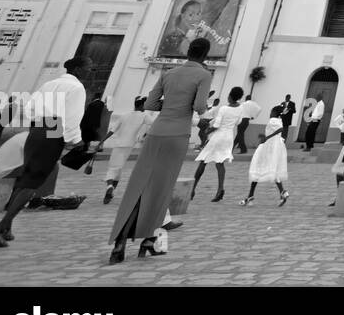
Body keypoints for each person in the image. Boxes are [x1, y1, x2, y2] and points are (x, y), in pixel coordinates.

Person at [108, 38, 212, 264]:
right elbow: (200, 107)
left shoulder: (169, 73)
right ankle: (149, 240)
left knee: (138, 186)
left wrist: (171, 102)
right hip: (177, 134)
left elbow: (150, 104)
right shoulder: (203, 74)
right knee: (162, 189)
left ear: (187, 51)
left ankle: (120, 242)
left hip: (156, 132)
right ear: (205, 54)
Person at [0, 55, 91, 248]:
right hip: (53, 132)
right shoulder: (76, 88)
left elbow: (30, 109)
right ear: (77, 69)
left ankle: (6, 228)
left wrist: (43, 126)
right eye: (87, 67)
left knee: (26, 177)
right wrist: (75, 141)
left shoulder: (48, 84)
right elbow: (72, 118)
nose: (90, 71)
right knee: (32, 182)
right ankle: (1, 226)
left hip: (36, 131)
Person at [190, 86, 243, 202]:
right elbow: (238, 122)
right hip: (229, 137)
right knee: (220, 163)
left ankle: (192, 189)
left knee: (203, 161)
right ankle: (220, 189)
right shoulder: (240, 108)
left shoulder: (224, 108)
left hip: (218, 136)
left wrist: (207, 131)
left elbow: (216, 125)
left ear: (230, 96)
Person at [102, 97, 149, 204]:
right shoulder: (145, 116)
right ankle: (111, 191)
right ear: (141, 105)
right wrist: (145, 135)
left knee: (113, 168)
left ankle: (109, 186)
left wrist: (101, 142)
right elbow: (155, 124)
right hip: (129, 146)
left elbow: (112, 131)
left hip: (118, 145)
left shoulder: (124, 115)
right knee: (118, 169)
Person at [241, 111, 288, 206]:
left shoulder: (273, 120)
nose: (270, 113)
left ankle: (250, 196)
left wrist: (267, 138)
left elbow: (280, 129)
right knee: (272, 171)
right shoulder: (279, 120)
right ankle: (282, 192)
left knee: (257, 169)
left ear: (274, 113)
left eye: (271, 112)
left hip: (267, 149)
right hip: (273, 149)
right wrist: (265, 136)